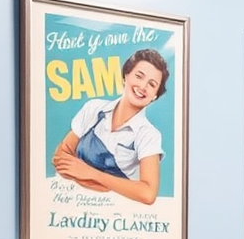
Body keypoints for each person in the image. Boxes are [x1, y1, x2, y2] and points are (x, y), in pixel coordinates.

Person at [51, 48, 169, 206]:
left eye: (152, 84)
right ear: (126, 75)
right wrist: (100, 186)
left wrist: (90, 174)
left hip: (111, 210)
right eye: (139, 76)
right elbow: (60, 156)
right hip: (67, 201)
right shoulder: (93, 109)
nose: (143, 86)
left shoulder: (148, 135)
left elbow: (147, 194)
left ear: (155, 95)